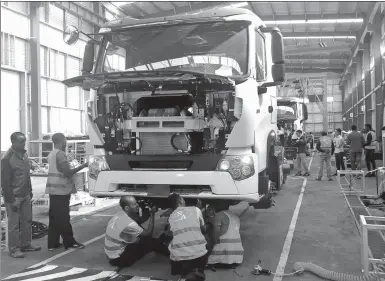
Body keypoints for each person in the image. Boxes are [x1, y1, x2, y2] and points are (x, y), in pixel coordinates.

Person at [1, 132, 41, 258]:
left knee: (26, 221)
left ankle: (26, 244)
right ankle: (14, 249)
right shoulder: (7, 159)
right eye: (21, 142)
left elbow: (27, 175)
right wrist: (11, 200)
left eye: (24, 141)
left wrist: (30, 191)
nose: (24, 144)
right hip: (14, 197)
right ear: (13, 142)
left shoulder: (24, 155)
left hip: (25, 195)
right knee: (14, 225)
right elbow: (5, 182)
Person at [45, 133, 88, 251]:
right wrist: (84, 165)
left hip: (53, 190)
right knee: (64, 217)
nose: (66, 143)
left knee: (54, 217)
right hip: (61, 191)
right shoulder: (60, 154)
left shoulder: (51, 154)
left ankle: (52, 244)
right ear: (62, 141)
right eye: (65, 140)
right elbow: (67, 172)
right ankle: (70, 242)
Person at [105, 196, 169, 267]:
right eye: (134, 204)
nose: (137, 205)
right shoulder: (129, 223)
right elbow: (148, 233)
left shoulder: (119, 214)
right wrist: (152, 214)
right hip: (119, 259)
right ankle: (172, 255)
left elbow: (139, 220)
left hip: (111, 255)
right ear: (127, 208)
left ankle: (160, 247)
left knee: (141, 238)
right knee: (149, 241)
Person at [167, 193, 207, 281]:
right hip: (198, 253)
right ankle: (195, 274)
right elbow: (204, 229)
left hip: (179, 256)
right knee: (206, 236)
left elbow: (171, 232)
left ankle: (184, 273)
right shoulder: (196, 210)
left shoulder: (171, 217)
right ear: (181, 201)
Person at [207, 202, 244, 268]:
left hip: (223, 257)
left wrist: (213, 243)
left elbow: (216, 233)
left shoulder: (219, 215)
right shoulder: (235, 216)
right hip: (238, 258)